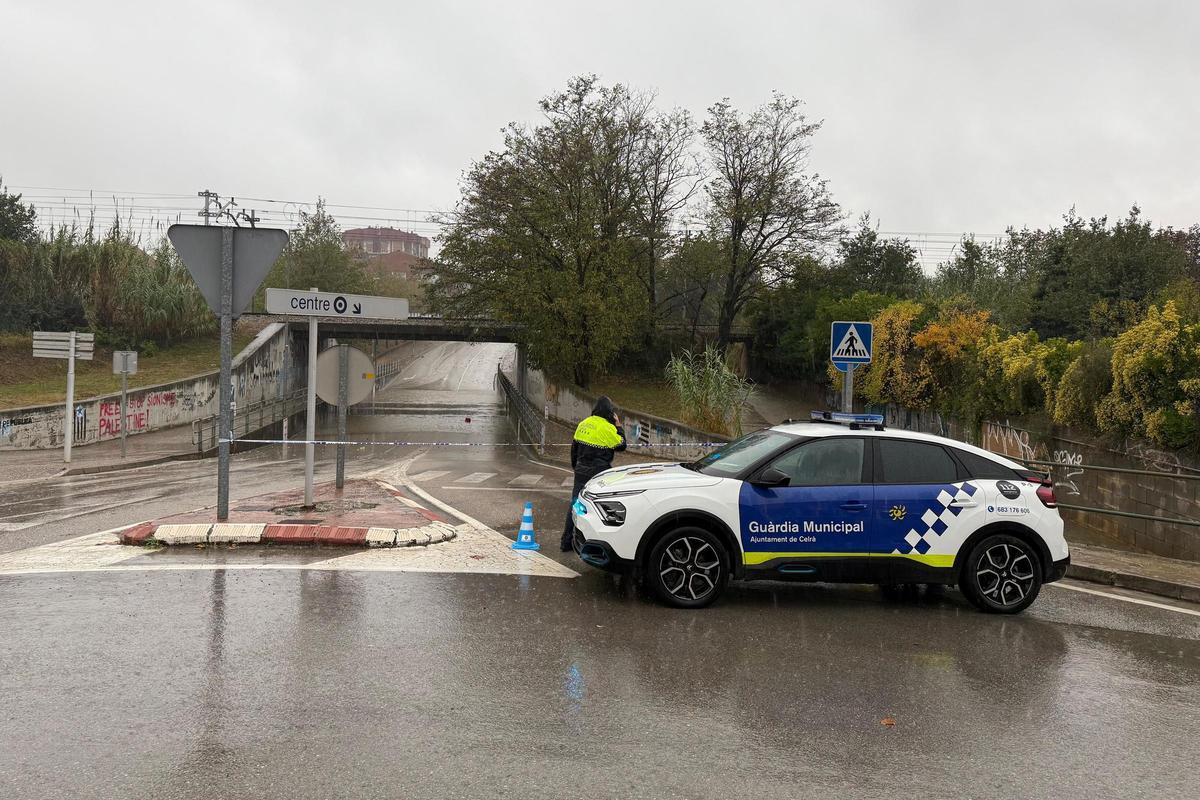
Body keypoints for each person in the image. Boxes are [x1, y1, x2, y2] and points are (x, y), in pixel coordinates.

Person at [561, 396, 627, 551]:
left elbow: (574, 450)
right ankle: (595, 545)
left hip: (581, 470)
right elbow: (622, 445)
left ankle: (566, 541)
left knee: (575, 505)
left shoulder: (583, 424)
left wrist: (576, 468)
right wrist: (618, 425)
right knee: (599, 509)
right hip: (600, 473)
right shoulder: (608, 428)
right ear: (610, 412)